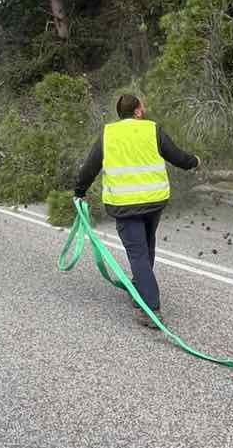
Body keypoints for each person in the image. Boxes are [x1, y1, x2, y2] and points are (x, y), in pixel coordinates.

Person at [73, 93, 199, 328]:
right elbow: (177, 157)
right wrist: (195, 161)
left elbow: (90, 167)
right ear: (138, 111)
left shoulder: (108, 134)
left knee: (138, 253)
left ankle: (150, 307)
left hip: (124, 204)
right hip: (154, 201)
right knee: (147, 245)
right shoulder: (152, 129)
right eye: (143, 106)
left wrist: (79, 191)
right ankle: (143, 291)